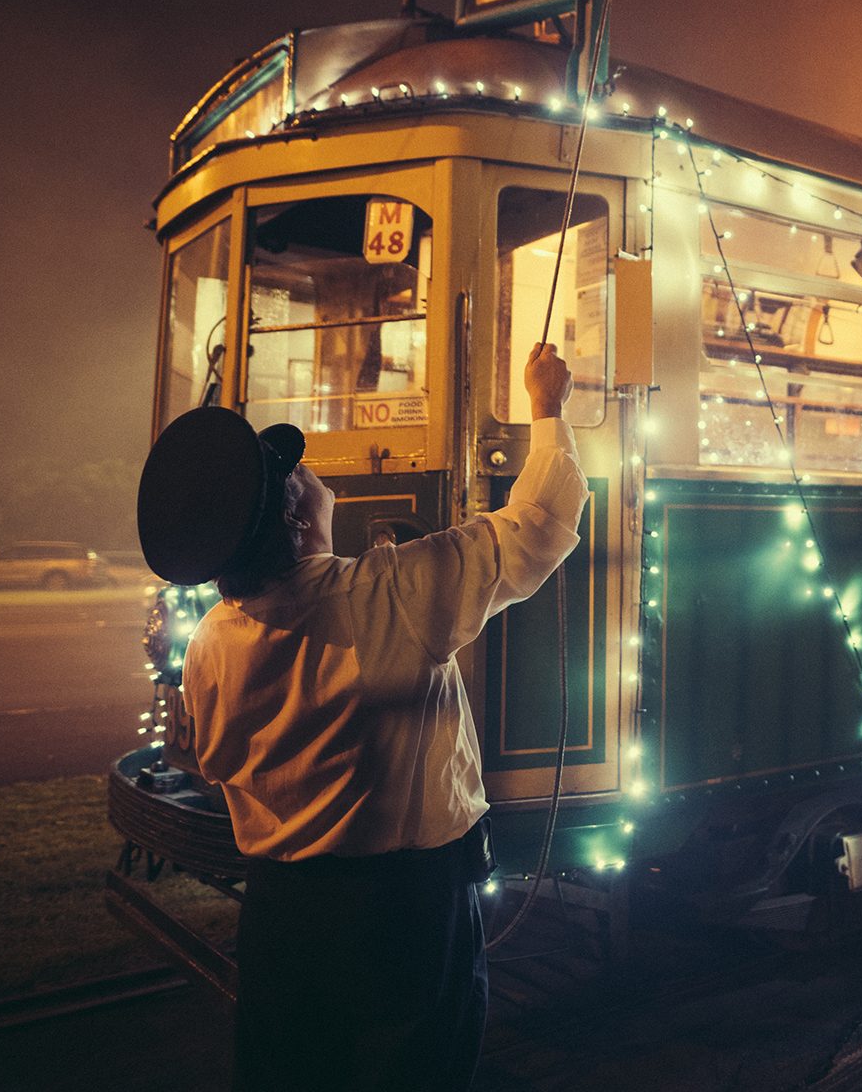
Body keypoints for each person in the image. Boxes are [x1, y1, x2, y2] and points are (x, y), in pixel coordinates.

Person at [136, 343, 585, 1091]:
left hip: (280, 916)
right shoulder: (391, 594)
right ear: (295, 516)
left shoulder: (212, 640)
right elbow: (539, 522)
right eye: (296, 475)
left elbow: (215, 763)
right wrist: (547, 404)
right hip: (403, 917)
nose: (312, 473)